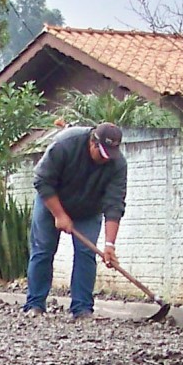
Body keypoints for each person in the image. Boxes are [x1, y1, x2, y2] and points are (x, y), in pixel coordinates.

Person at [23, 122, 127, 320]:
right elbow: (42, 180)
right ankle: (34, 305)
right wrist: (60, 215)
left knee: (86, 253)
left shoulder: (117, 164)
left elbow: (115, 204)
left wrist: (109, 245)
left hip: (88, 209)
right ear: (92, 143)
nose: (106, 160)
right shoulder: (66, 143)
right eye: (102, 154)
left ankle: (81, 309)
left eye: (110, 156)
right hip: (51, 201)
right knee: (43, 249)